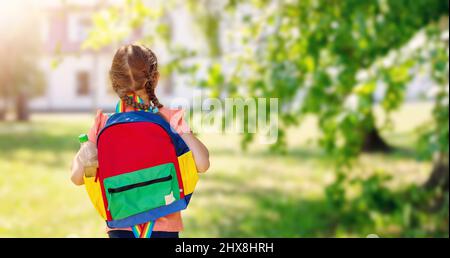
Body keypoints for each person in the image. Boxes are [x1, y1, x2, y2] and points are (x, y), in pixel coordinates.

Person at [70, 44, 210, 238]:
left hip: (121, 227)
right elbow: (202, 164)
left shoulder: (102, 124)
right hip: (163, 227)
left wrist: (87, 152)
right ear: (156, 78)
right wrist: (180, 126)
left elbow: (77, 178)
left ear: (114, 82)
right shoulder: (169, 119)